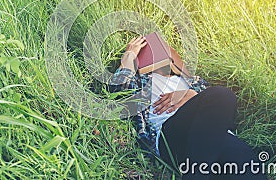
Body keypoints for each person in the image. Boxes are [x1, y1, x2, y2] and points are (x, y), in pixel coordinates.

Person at [109, 36, 267, 180]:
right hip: (171, 133)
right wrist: (129, 56)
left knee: (247, 165)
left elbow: (218, 111)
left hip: (216, 137)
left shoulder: (194, 82)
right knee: (223, 95)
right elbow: (118, 89)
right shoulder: (142, 81)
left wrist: (192, 94)